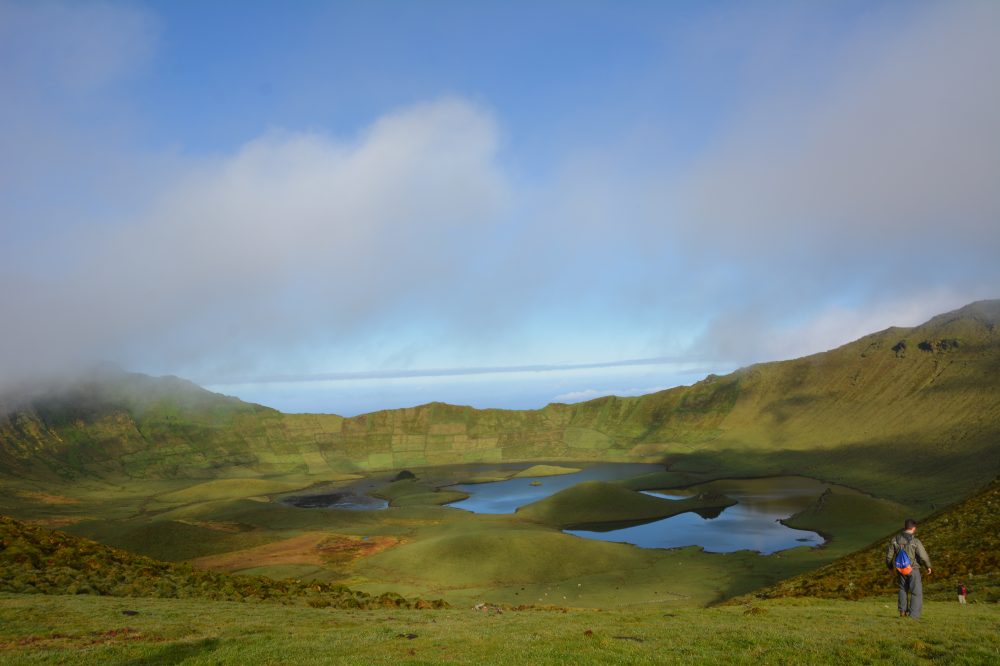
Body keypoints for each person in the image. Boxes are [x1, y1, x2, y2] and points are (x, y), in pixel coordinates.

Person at [885, 518, 932, 619]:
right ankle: (913, 615)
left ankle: (902, 612)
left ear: (905, 527)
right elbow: (923, 556)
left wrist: (890, 568)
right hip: (913, 569)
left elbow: (889, 557)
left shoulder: (894, 540)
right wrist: (928, 566)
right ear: (913, 528)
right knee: (916, 592)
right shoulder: (915, 541)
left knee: (902, 589)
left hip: (900, 569)